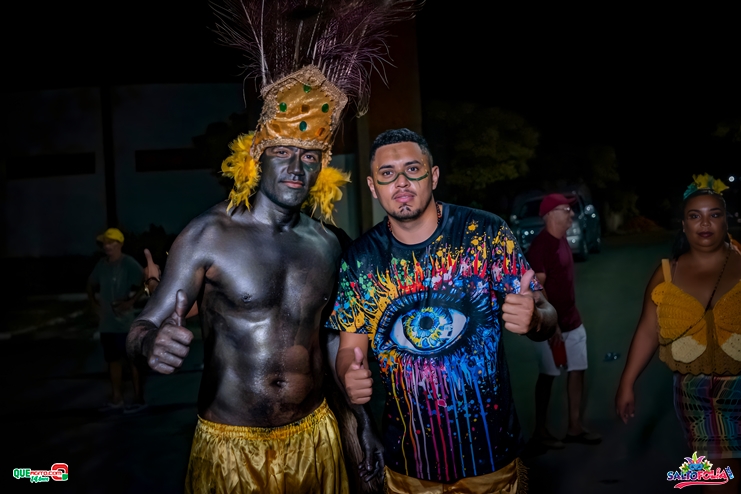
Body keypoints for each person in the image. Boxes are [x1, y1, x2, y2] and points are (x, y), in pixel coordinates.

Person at [126, 2, 417, 491]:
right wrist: (150, 344)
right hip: (231, 447)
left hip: (315, 438)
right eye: (282, 152)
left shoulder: (329, 243)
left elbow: (334, 342)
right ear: (257, 157)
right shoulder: (208, 235)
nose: (296, 168)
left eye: (309, 156)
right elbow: (144, 325)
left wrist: (360, 423)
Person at [329, 128, 558, 493]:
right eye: (387, 173)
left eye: (412, 169)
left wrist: (536, 318)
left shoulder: (485, 233)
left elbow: (547, 313)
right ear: (373, 187)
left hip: (491, 460)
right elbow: (348, 349)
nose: (401, 182)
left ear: (433, 176)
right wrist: (348, 375)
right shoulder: (360, 260)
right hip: (408, 467)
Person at [616, 174, 740, 494]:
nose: (705, 223)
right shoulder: (666, 274)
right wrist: (627, 382)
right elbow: (648, 329)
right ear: (683, 225)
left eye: (714, 214)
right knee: (720, 478)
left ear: (726, 220)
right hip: (697, 395)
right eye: (695, 216)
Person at [526, 194, 601, 448]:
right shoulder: (540, 247)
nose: (572, 214)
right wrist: (552, 323)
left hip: (572, 319)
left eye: (571, 209)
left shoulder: (562, 240)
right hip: (547, 324)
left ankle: (574, 427)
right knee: (548, 374)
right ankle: (540, 432)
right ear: (550, 214)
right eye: (566, 209)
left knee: (577, 368)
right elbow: (537, 289)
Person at [87, 227, 147, 413]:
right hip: (107, 324)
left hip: (125, 324)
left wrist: (131, 301)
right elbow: (90, 284)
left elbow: (147, 281)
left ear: (120, 244)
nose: (107, 246)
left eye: (111, 242)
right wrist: (94, 304)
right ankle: (117, 398)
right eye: (104, 243)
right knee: (112, 361)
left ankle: (138, 399)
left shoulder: (128, 263)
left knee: (132, 361)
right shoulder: (101, 265)